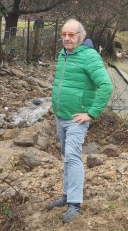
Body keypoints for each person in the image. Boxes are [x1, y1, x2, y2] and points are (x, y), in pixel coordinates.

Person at [48, 19, 113, 223]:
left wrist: (91, 113)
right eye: (64, 35)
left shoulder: (89, 57)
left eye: (71, 35)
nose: (67, 38)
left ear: (81, 36)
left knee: (73, 157)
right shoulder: (63, 55)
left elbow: (106, 86)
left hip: (77, 118)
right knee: (66, 156)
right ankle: (66, 195)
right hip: (62, 115)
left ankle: (74, 204)